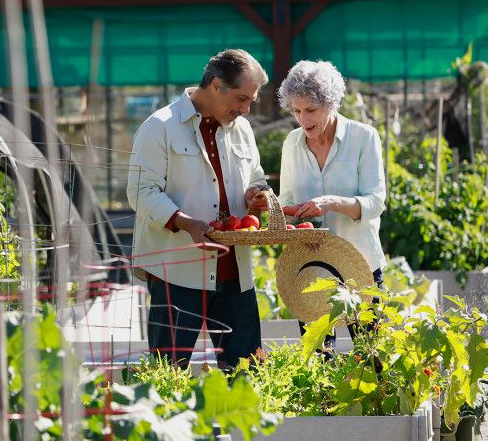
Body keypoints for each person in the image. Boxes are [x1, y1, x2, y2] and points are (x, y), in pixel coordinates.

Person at [127, 48, 270, 369]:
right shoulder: (160, 127)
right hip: (177, 272)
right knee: (168, 372)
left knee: (248, 373)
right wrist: (184, 222)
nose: (246, 109)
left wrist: (256, 195)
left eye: (250, 101)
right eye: (242, 98)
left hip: (235, 273)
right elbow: (140, 192)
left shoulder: (242, 131)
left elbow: (256, 178)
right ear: (217, 85)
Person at [276, 60, 386, 342]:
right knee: (318, 362)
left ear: (331, 103)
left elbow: (376, 202)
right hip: (311, 268)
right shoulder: (292, 143)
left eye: (311, 110)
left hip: (359, 264)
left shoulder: (363, 137)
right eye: (296, 111)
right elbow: (287, 202)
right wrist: (287, 219)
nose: (303, 119)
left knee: (371, 356)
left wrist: (333, 202)